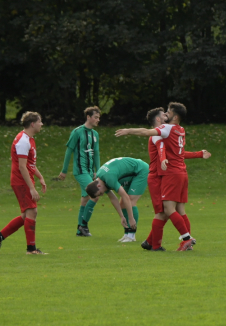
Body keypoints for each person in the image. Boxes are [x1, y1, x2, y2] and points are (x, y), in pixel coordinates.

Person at [123, 107, 211, 250]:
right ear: (158, 119)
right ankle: (154, 243)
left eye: (168, 112)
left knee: (165, 212)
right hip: (160, 176)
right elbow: (161, 150)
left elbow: (172, 152)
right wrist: (198, 154)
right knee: (166, 212)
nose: (166, 115)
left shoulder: (166, 131)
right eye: (164, 114)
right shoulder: (168, 131)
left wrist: (197, 154)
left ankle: (155, 243)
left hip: (166, 174)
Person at [0, 112, 48, 256]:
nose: (42, 124)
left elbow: (29, 164)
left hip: (24, 180)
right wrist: (32, 188)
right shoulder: (23, 141)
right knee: (32, 212)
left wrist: (40, 177)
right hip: (21, 181)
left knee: (26, 215)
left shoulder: (29, 139)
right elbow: (22, 167)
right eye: (40, 121)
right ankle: (31, 249)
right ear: (32, 124)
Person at [57, 106, 102, 237]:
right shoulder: (77, 132)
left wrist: (97, 171)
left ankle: (79, 231)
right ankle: (83, 225)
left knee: (85, 199)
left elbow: (97, 153)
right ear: (88, 117)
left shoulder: (95, 134)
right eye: (95, 117)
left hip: (89, 171)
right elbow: (69, 150)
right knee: (96, 194)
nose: (97, 120)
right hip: (80, 171)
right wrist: (64, 171)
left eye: (99, 117)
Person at [84, 157, 150, 240]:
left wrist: (131, 218)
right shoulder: (100, 179)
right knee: (122, 204)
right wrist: (122, 216)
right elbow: (113, 198)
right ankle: (127, 233)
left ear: (98, 186)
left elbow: (125, 197)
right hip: (130, 174)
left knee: (131, 200)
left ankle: (132, 235)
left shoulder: (109, 178)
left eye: (100, 193)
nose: (102, 194)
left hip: (141, 171)